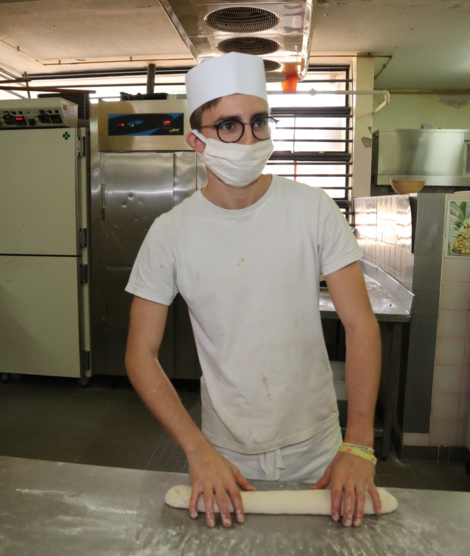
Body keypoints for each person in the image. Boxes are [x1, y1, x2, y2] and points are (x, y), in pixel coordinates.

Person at [124, 52, 382, 528]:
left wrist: (359, 443)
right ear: (196, 140)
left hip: (320, 447)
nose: (247, 138)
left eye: (258, 122)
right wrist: (197, 450)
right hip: (223, 455)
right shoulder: (171, 233)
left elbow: (360, 323)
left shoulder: (312, 209)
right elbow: (140, 355)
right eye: (229, 126)